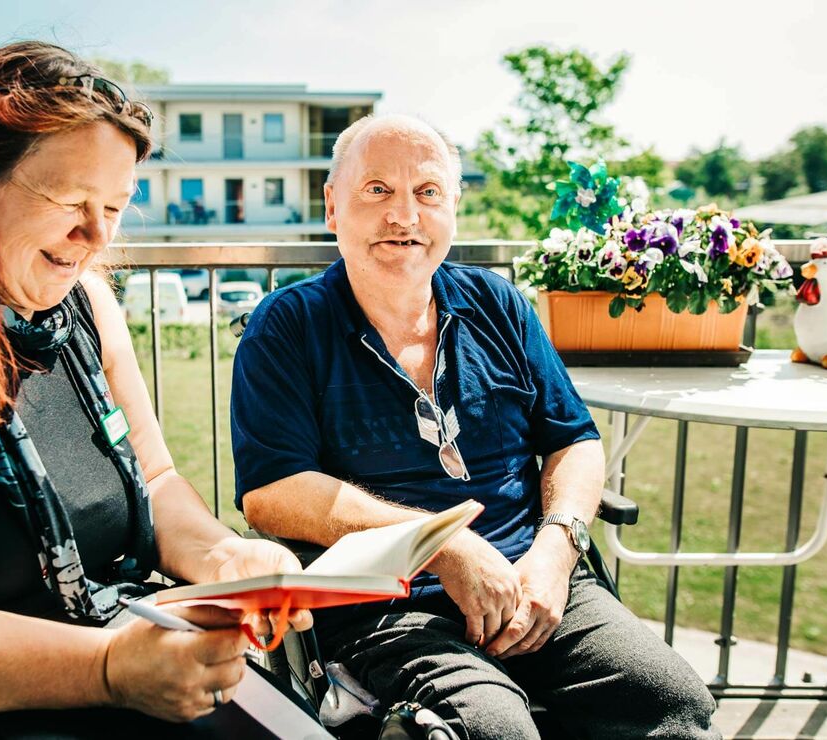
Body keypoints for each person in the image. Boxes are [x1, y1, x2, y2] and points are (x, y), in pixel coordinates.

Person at [0, 42, 314, 737]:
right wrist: (107, 666)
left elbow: (157, 476)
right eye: (70, 200)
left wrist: (228, 558)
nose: (96, 234)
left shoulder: (86, 304)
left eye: (116, 204)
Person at [230, 114, 720, 739]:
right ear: (333, 207)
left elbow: (574, 440)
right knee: (491, 730)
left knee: (670, 700)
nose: (404, 215)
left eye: (427, 192)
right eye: (377, 190)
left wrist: (555, 552)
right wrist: (444, 547)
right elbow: (273, 492)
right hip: (391, 609)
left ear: (453, 207)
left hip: (537, 585)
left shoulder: (497, 302)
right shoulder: (289, 325)